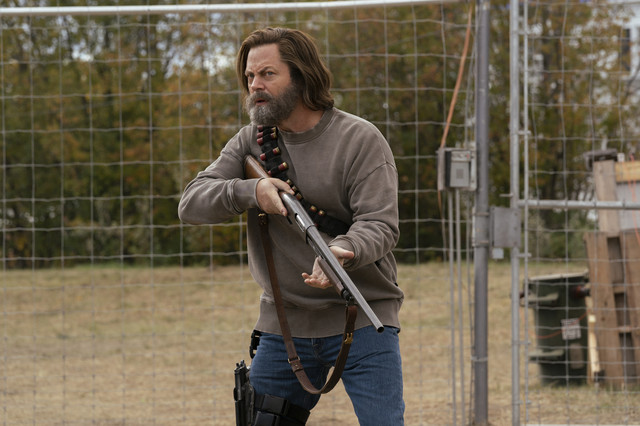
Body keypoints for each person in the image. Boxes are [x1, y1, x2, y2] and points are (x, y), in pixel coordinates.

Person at [178, 27, 404, 425]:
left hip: (363, 319)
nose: (255, 86)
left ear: (300, 77)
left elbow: (380, 223)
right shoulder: (251, 141)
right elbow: (191, 203)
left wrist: (343, 250)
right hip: (283, 326)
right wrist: (253, 190)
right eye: (250, 77)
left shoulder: (359, 139)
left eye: (267, 74)